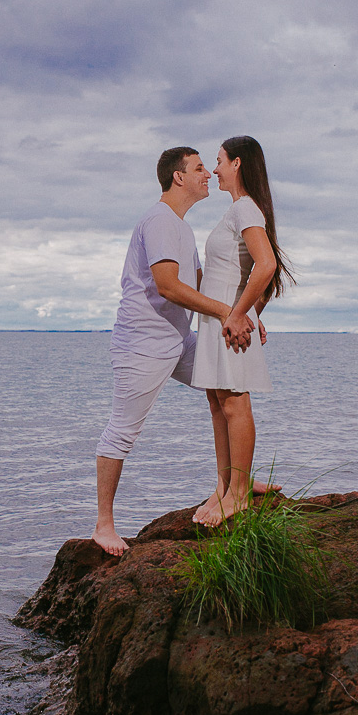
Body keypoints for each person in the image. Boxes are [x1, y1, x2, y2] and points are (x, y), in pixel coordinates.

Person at [91, 147, 255, 556]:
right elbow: (168, 285)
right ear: (178, 177)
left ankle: (237, 484)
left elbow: (202, 285)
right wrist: (226, 313)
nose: (206, 174)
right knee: (123, 430)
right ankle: (103, 526)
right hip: (143, 345)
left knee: (228, 388)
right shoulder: (160, 220)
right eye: (199, 168)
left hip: (178, 340)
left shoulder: (180, 227)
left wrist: (243, 313)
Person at [191, 135, 295, 527]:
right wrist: (249, 310)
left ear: (237, 163)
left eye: (218, 160)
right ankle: (225, 486)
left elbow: (266, 265)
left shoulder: (246, 208)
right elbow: (250, 271)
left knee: (234, 403)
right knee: (218, 403)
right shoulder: (237, 210)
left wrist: (239, 315)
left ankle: (238, 495)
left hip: (228, 322)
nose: (214, 169)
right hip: (221, 319)